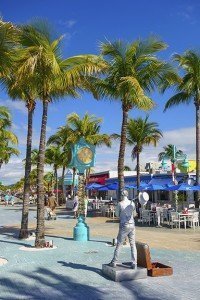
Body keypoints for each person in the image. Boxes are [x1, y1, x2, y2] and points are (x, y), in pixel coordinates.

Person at [108, 190, 137, 269]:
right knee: (133, 244)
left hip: (124, 225)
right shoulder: (132, 203)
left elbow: (117, 214)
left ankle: (114, 262)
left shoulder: (120, 204)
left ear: (122, 195)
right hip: (132, 225)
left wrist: (122, 214)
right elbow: (134, 214)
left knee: (119, 244)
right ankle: (134, 263)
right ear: (127, 195)